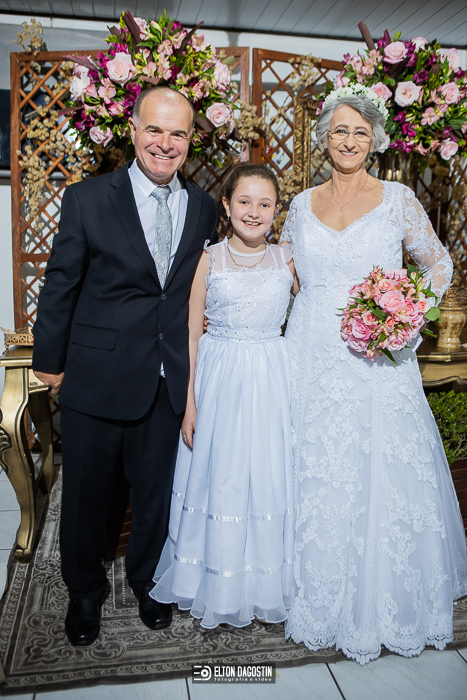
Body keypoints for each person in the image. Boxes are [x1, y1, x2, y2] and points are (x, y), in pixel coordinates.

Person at [281, 85, 467, 663]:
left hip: (377, 355)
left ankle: (385, 596)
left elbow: (439, 263)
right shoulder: (299, 206)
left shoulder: (398, 199)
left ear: (376, 140)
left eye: (361, 132)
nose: (350, 141)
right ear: (324, 137)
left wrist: (407, 313)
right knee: (313, 463)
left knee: (378, 465)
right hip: (310, 351)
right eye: (340, 130)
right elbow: (284, 275)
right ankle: (307, 586)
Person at [32, 86, 218, 646]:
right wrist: (49, 359)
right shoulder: (87, 198)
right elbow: (61, 282)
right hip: (96, 373)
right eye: (154, 129)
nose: (165, 143)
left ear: (190, 140)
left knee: (156, 493)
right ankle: (84, 591)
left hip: (165, 376)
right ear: (134, 130)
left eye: (178, 133)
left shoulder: (204, 206)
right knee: (85, 493)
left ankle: (149, 582)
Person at [151, 164, 299, 628]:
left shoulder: (289, 260)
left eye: (264, 203)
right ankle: (212, 577)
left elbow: (313, 314)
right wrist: (190, 404)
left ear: (277, 210)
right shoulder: (208, 259)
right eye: (244, 201)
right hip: (218, 377)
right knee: (222, 475)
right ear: (227, 205)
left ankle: (262, 580)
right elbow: (192, 333)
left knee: (266, 474)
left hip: (272, 377)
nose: (254, 212)